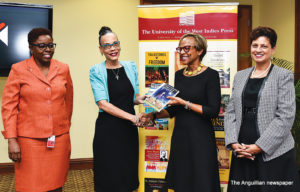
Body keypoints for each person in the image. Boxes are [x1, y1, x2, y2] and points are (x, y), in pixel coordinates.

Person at [141, 33, 221, 192]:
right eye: (180, 48)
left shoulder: (211, 75)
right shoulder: (178, 76)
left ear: (200, 51)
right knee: (182, 182)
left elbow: (213, 111)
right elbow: (174, 109)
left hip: (201, 138)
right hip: (181, 137)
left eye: (186, 48)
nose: (182, 52)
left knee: (202, 182)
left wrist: (185, 103)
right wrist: (152, 115)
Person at [224, 26, 300, 192]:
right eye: (255, 45)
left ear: (273, 49)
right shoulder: (240, 75)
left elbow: (286, 116)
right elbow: (230, 112)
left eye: (264, 46)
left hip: (273, 152)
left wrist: (260, 146)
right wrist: (234, 143)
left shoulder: (283, 75)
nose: (258, 50)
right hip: (242, 150)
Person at [1, 28, 73, 192]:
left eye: (50, 45)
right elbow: (8, 108)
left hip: (58, 140)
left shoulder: (63, 68)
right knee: (30, 186)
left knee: (56, 185)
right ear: (30, 47)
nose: (48, 50)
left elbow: (68, 102)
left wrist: (63, 127)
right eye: (41, 46)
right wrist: (12, 140)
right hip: (29, 142)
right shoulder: (18, 69)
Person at [89, 26, 145, 192]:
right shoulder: (96, 71)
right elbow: (103, 104)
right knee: (109, 176)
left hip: (128, 130)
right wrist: (133, 118)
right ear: (101, 49)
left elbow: (129, 97)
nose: (112, 48)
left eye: (115, 43)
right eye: (107, 45)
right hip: (108, 130)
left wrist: (140, 99)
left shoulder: (130, 66)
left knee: (127, 174)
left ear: (119, 44)